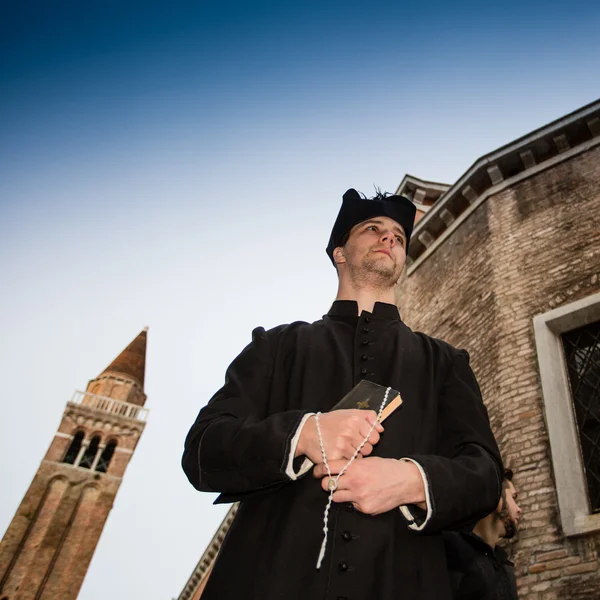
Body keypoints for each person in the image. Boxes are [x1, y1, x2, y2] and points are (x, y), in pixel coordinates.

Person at [182, 188, 503, 600]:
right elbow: (202, 449)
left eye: (399, 237)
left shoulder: (445, 361)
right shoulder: (275, 346)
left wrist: (411, 480)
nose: (389, 238)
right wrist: (302, 433)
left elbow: (485, 475)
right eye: (373, 228)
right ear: (340, 252)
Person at [444, 469, 521, 600]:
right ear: (497, 498)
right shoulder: (454, 555)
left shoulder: (504, 566)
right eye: (513, 498)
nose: (519, 509)